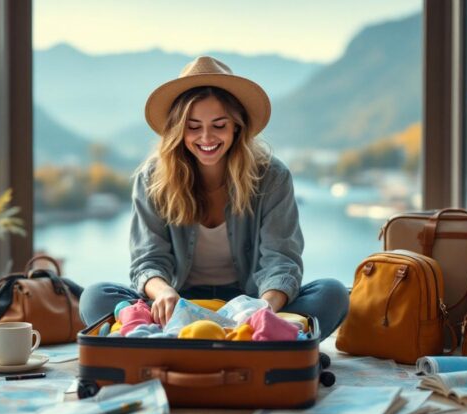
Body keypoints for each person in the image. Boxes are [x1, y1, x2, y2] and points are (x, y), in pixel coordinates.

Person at [79, 56, 349, 339]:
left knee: (331, 293)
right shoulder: (152, 178)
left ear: (236, 126)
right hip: (179, 303)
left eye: (219, 125)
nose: (206, 137)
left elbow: (280, 260)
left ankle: (171, 339)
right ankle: (254, 342)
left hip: (250, 301)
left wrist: (264, 308)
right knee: (96, 296)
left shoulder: (272, 176)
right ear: (178, 129)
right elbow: (148, 260)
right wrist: (164, 293)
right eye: (193, 126)